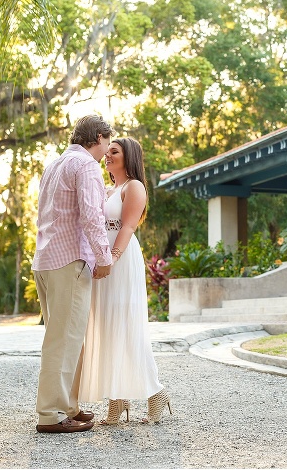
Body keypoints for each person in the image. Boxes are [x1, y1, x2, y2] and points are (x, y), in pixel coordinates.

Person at [79, 137, 172, 425]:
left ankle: (156, 393)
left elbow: (129, 225)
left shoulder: (134, 187)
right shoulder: (108, 189)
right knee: (105, 326)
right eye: (107, 151)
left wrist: (112, 259)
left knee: (126, 325)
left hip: (120, 261)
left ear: (128, 156)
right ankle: (117, 401)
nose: (107, 155)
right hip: (102, 261)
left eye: (114, 151)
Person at [32, 114, 115, 434]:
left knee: (67, 339)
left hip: (46, 260)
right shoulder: (86, 167)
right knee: (63, 341)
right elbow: (91, 216)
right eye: (108, 142)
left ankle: (69, 405)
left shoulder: (54, 165)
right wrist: (103, 257)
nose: (108, 150)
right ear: (97, 137)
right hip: (69, 263)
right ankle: (51, 414)